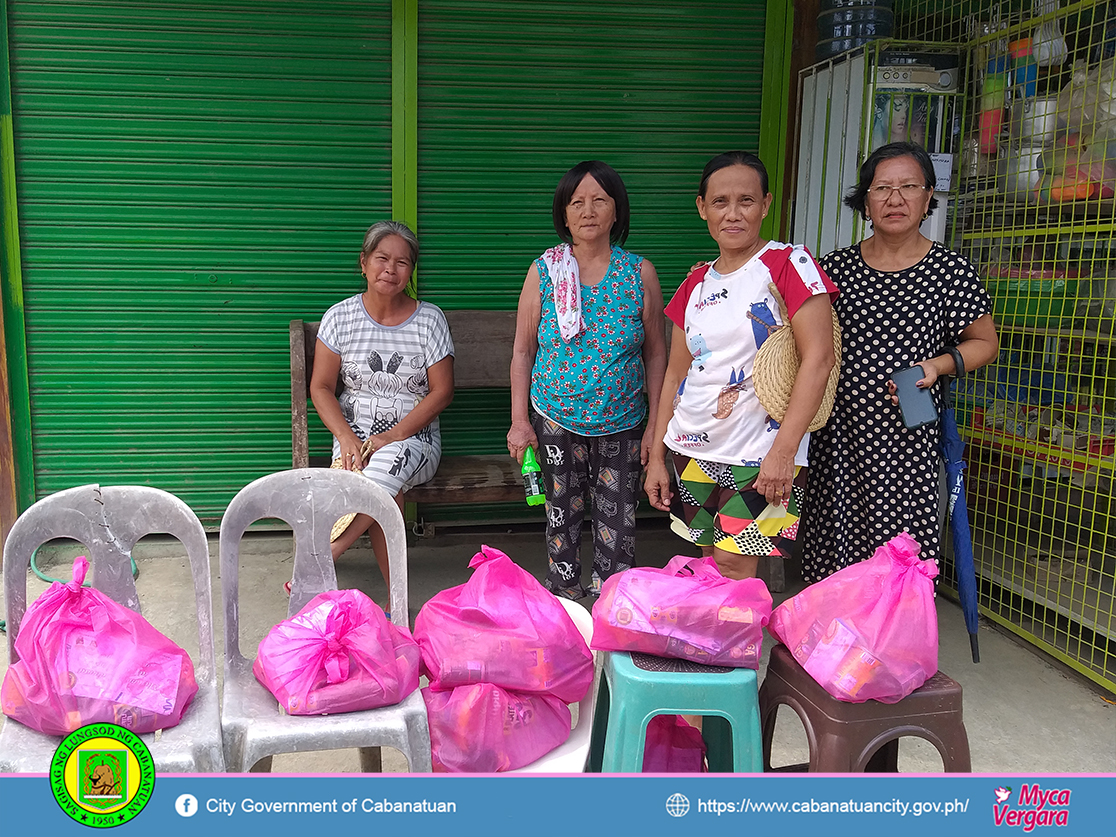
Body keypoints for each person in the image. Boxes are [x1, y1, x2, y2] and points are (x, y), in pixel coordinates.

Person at [799, 141, 999, 582]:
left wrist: (937, 366)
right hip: (839, 436)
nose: (895, 198)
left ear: (929, 197)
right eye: (882, 188)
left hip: (908, 437)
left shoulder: (950, 270)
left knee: (899, 550)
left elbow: (985, 343)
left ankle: (893, 643)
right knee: (836, 544)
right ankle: (836, 642)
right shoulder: (837, 268)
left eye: (909, 186)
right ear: (865, 201)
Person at [644, 151, 838, 580]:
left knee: (735, 566)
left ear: (766, 204)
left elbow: (819, 360)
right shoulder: (695, 282)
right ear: (702, 208)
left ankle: (734, 649)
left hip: (759, 453)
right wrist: (657, 454)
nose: (733, 214)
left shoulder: (789, 264)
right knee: (709, 564)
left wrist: (784, 452)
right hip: (691, 447)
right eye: (720, 202)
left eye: (746, 201)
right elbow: (676, 375)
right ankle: (713, 647)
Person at [508, 160, 667, 599]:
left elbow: (656, 351)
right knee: (562, 515)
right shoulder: (545, 271)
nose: (588, 211)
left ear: (617, 211)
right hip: (555, 416)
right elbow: (523, 351)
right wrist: (519, 421)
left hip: (623, 418)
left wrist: (656, 423)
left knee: (618, 522)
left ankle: (613, 606)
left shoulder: (639, 273)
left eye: (600, 200)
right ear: (564, 214)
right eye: (577, 202)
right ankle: (566, 603)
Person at [310, 220, 455, 591]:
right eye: (381, 258)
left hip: (416, 443)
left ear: (411, 271)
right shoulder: (339, 318)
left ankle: (328, 550)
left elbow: (442, 392)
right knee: (389, 483)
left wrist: (392, 435)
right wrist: (344, 436)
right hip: (353, 445)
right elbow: (322, 386)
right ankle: (397, 599)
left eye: (402, 262)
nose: (390, 269)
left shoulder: (429, 320)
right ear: (363, 263)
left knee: (390, 460)